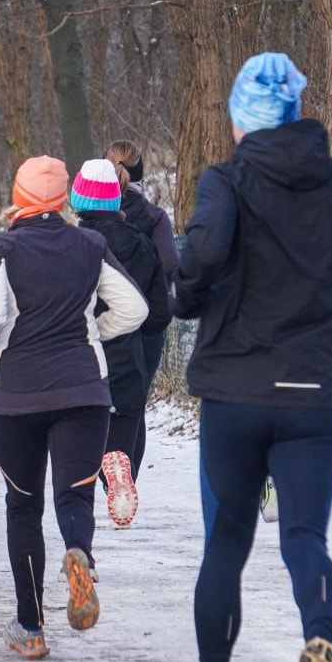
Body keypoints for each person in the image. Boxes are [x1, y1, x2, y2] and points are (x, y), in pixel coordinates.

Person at [168, 53, 332, 662]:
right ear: (297, 114)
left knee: (226, 547)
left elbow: (199, 259)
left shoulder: (227, 181)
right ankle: (319, 641)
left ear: (241, 120)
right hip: (312, 395)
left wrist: (188, 298)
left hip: (236, 392)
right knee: (304, 539)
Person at [0, 156, 148, 659]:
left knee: (22, 504)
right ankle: (79, 552)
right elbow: (135, 308)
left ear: (18, 196)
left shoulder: (3, 248)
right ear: (64, 200)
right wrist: (92, 336)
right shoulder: (91, 244)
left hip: (18, 393)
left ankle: (31, 627)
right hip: (83, 387)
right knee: (74, 494)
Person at [69, 159, 170, 530]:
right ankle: (119, 466)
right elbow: (160, 310)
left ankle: (98, 477)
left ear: (78, 200)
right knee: (126, 419)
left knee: (82, 431)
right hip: (129, 352)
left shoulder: (73, 245)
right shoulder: (142, 244)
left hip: (80, 357)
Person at [105, 140, 178, 478]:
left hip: (102, 322)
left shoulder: (96, 218)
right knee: (135, 405)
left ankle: (104, 469)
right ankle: (126, 476)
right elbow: (169, 265)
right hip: (147, 325)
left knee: (101, 399)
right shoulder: (154, 217)